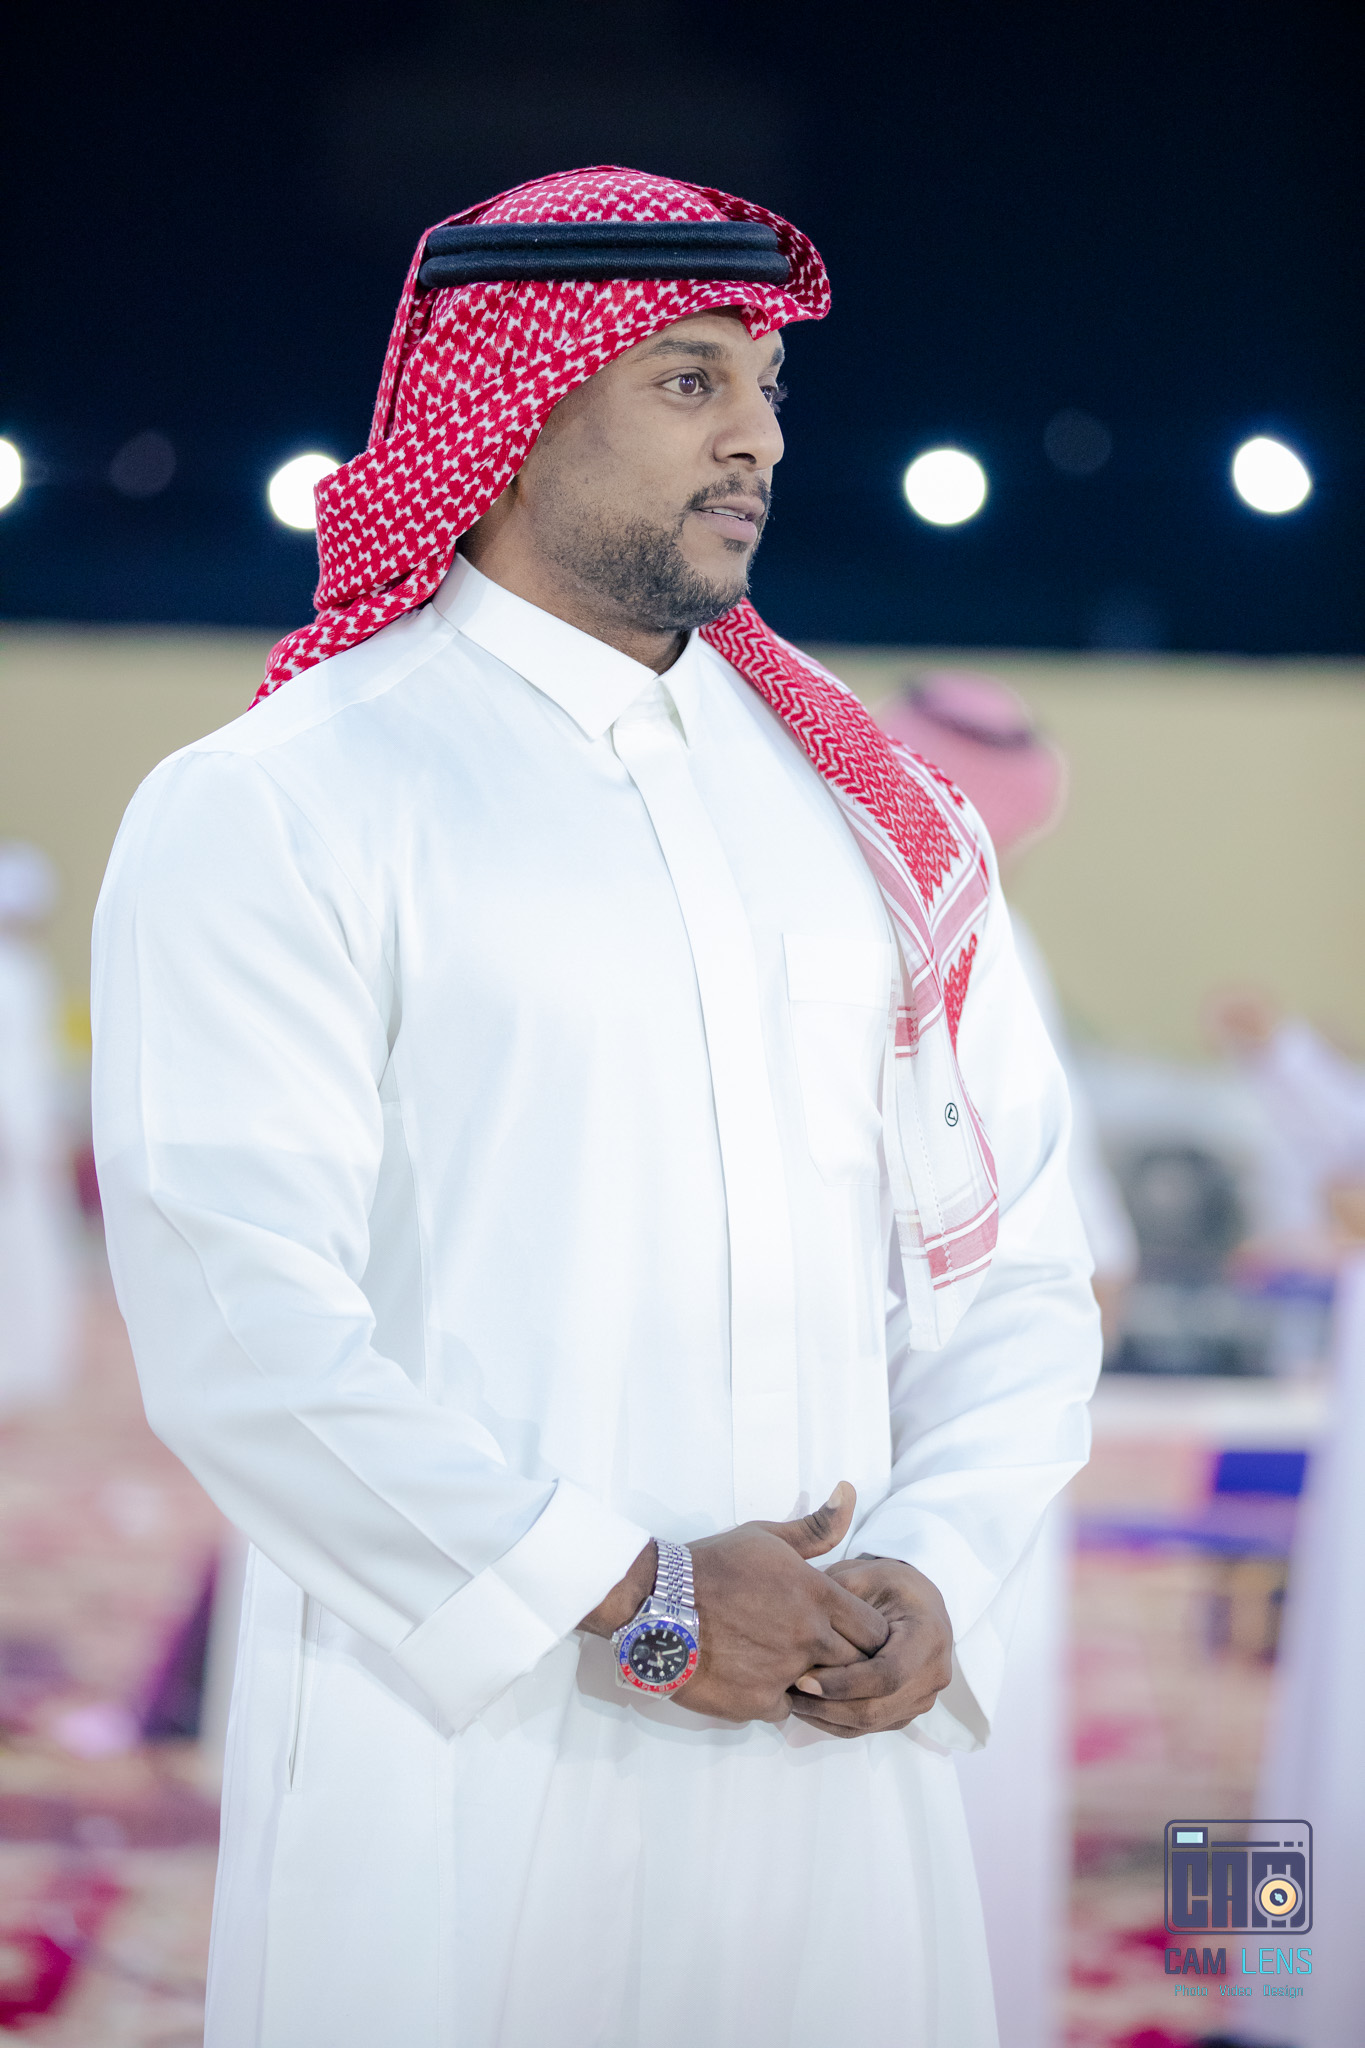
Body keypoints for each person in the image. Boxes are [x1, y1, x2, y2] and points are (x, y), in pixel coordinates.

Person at [91, 168, 1100, 2048]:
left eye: (769, 389)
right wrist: (633, 1597)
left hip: (832, 1741)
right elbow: (238, 1321)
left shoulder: (867, 817)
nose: (759, 439)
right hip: (470, 1742)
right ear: (513, 407)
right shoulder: (287, 801)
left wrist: (936, 1566)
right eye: (690, 381)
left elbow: (1020, 1260)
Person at [0, 842, 76, 1418]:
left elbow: (41, 1062)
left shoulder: (29, 970)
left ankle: (30, 1368)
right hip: (16, 1129)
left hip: (30, 1130)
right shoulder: (17, 972)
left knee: (33, 1240)